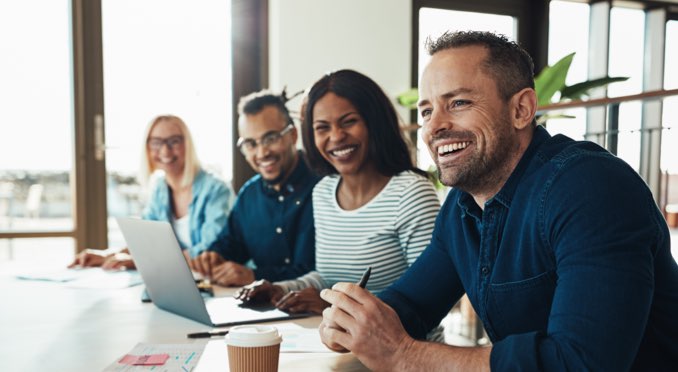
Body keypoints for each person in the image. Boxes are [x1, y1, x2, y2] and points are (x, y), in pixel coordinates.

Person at [318, 31, 678, 371]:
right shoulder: (461, 208)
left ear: (521, 109)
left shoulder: (590, 187)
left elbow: (580, 362)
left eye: (458, 102)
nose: (434, 127)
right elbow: (412, 304)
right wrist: (354, 320)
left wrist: (403, 354)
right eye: (427, 111)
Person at [235, 69, 441, 315]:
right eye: (322, 128)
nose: (336, 137)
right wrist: (279, 289)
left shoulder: (411, 193)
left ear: (374, 122)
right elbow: (326, 278)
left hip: (399, 350)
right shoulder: (323, 192)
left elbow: (428, 298)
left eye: (349, 122)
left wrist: (332, 305)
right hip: (334, 344)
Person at [68, 114, 234, 270]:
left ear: (188, 144)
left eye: (174, 141)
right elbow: (147, 242)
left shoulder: (216, 189)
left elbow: (210, 250)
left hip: (217, 282)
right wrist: (107, 255)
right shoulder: (160, 188)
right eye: (156, 142)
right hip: (179, 279)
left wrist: (142, 262)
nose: (165, 151)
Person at [191, 90, 320, 286]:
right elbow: (231, 243)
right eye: (250, 144)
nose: (262, 153)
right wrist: (214, 256)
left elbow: (319, 272)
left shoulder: (325, 187)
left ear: (293, 135)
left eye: (270, 139)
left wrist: (255, 276)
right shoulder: (249, 195)